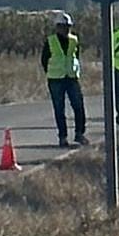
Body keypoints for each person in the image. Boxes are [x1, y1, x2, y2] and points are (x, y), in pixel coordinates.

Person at [41, 10, 88, 147]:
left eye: (68, 26)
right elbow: (44, 59)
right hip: (56, 79)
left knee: (78, 106)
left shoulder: (74, 40)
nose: (66, 29)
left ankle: (80, 134)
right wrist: (50, 72)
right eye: (63, 26)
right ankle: (63, 137)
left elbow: (76, 56)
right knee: (59, 109)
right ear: (57, 27)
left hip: (72, 77)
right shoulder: (50, 41)